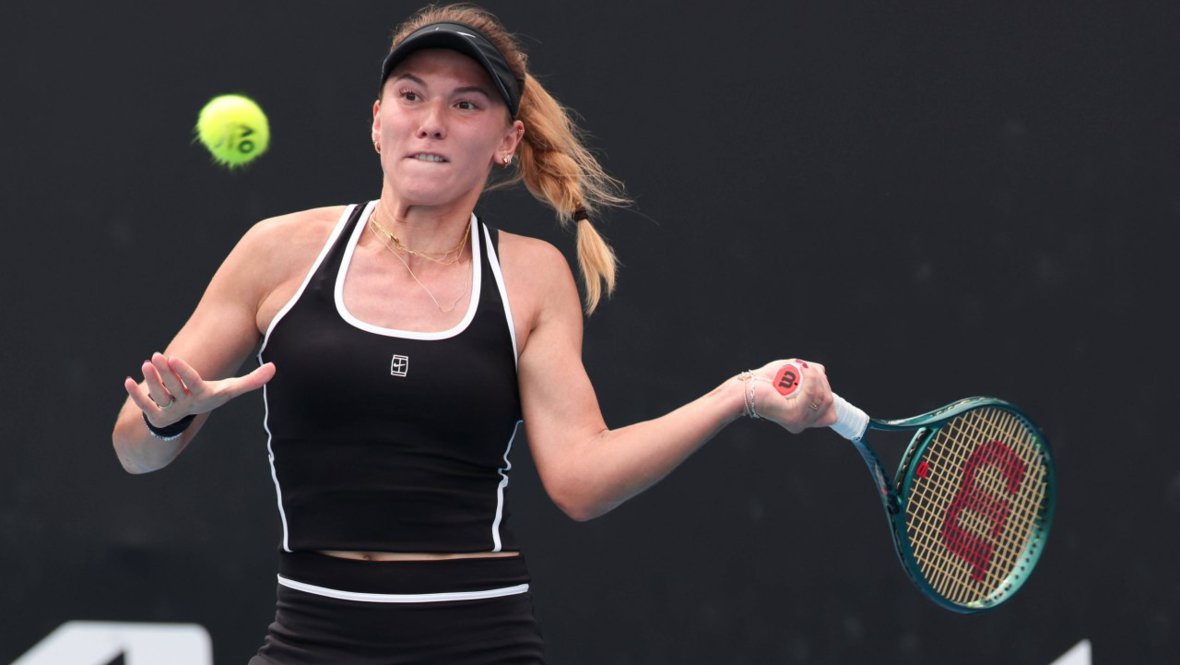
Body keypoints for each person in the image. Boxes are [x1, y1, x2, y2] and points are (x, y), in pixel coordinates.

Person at [111, 3, 838, 663]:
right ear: (377, 120)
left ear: (506, 141)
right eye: (411, 96)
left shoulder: (532, 275)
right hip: (311, 638)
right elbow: (133, 450)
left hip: (478, 641)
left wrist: (739, 394)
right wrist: (167, 417)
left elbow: (581, 480)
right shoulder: (276, 252)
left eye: (465, 103)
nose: (432, 121)